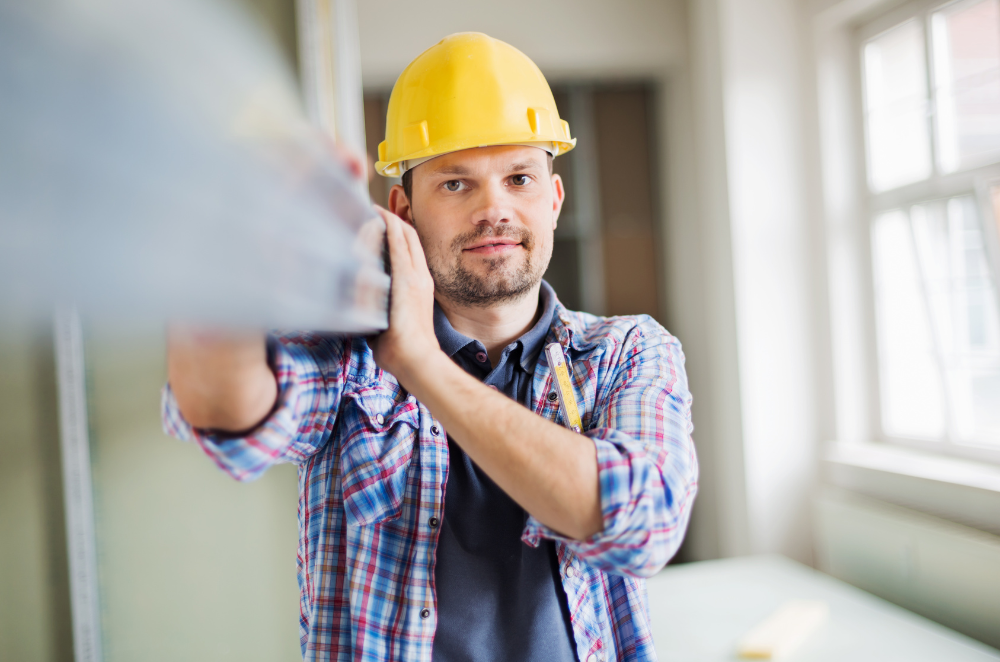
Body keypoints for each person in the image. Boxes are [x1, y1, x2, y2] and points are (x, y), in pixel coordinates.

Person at [164, 32, 698, 662]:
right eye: (454, 184)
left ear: (553, 201)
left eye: (520, 178)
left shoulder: (627, 352)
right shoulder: (352, 360)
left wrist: (418, 360)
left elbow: (641, 524)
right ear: (403, 210)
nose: (493, 209)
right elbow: (224, 408)